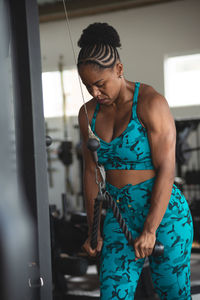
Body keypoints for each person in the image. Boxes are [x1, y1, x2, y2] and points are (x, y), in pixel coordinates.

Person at [77, 22, 193, 299]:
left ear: (118, 69)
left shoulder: (151, 103)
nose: (95, 92)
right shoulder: (87, 114)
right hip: (120, 216)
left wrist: (151, 229)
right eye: (87, 85)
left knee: (173, 294)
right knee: (113, 294)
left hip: (165, 216)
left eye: (100, 84)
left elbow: (167, 168)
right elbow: (91, 172)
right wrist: (94, 233)